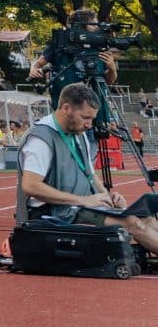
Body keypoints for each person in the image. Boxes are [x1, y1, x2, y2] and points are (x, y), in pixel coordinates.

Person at [17, 81, 158, 257]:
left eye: (91, 118)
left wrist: (108, 197)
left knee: (147, 218)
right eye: (85, 117)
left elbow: (90, 173)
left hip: (83, 206)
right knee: (133, 223)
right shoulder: (41, 139)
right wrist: (82, 200)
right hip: (57, 211)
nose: (89, 125)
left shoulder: (79, 134)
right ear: (66, 108)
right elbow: (31, 186)